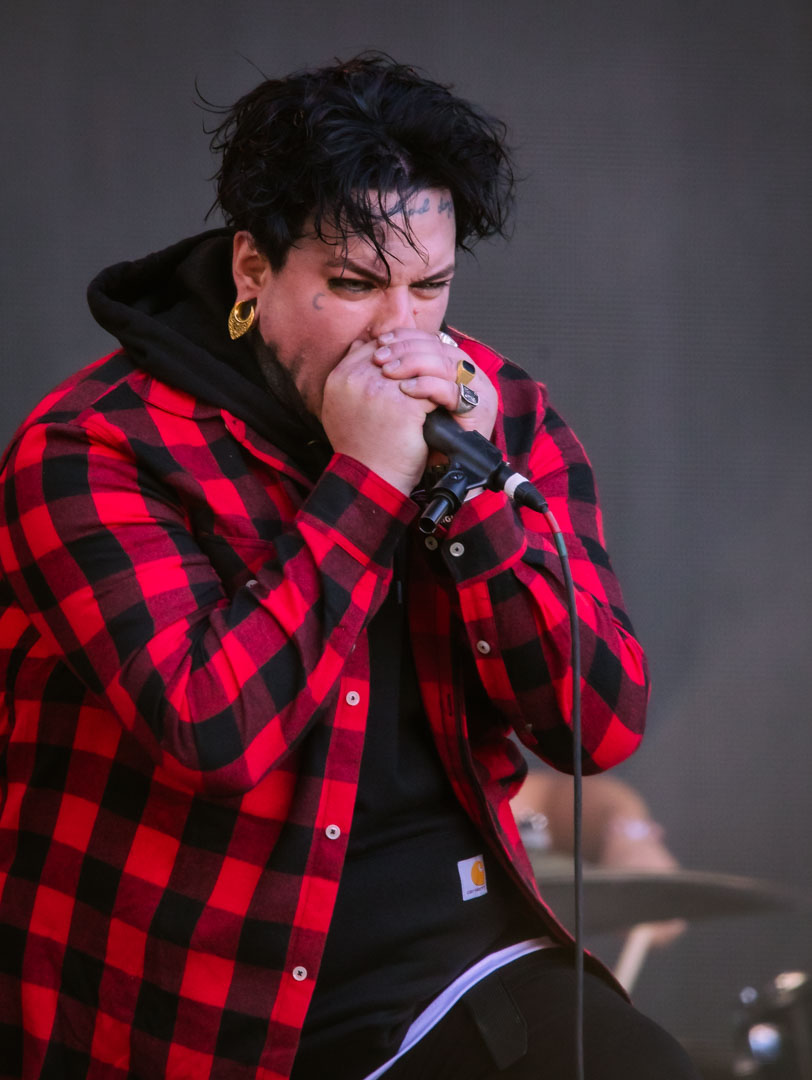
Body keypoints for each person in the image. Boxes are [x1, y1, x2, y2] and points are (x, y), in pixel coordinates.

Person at [0, 54, 698, 1079]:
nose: (398, 331)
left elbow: (594, 727)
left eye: (430, 287)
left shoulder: (496, 410)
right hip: (196, 993)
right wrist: (367, 481)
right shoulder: (94, 447)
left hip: (453, 954)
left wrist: (471, 496)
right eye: (353, 284)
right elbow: (210, 731)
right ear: (252, 269)